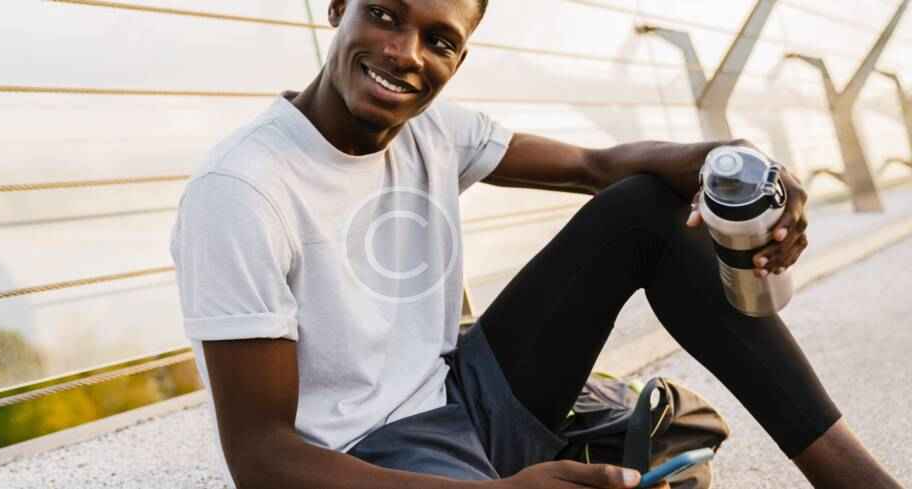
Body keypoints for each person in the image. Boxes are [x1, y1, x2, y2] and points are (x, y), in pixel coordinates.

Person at [169, 1, 903, 488]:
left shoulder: (433, 127)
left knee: (647, 206)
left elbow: (596, 167)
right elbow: (262, 458)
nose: (403, 53)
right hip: (366, 461)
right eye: (384, 14)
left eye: (439, 40)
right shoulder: (243, 189)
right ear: (338, 6)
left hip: (462, 394)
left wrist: (726, 159)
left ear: (460, 57)